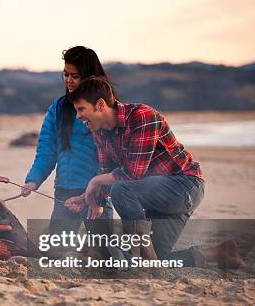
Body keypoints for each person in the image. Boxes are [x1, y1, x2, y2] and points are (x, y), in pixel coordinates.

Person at [65, 76, 207, 265]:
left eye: (81, 109)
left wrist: (95, 181)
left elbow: (133, 173)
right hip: (153, 194)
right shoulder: (99, 131)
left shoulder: (142, 116)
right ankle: (220, 253)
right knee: (160, 259)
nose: (78, 116)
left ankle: (144, 253)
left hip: (184, 186)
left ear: (100, 105)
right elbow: (107, 171)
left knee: (122, 190)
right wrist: (88, 199)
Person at [21, 46, 113, 237]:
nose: (69, 80)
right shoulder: (58, 109)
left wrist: (100, 196)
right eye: (66, 74)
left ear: (89, 76)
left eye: (75, 76)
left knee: (105, 255)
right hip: (65, 192)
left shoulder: (105, 109)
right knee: (56, 251)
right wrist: (33, 180)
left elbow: (113, 157)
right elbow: (47, 150)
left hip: (97, 193)